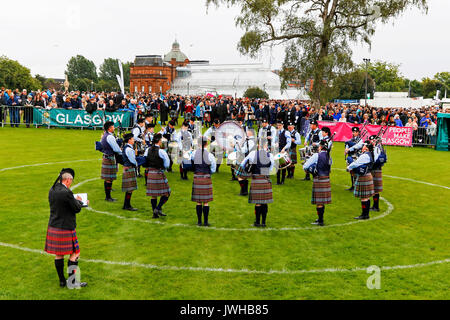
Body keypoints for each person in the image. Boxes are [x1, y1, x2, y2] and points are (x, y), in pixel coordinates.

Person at [45, 168, 87, 288]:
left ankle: (62, 281)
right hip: (66, 227)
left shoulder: (52, 189)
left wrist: (73, 200)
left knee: (59, 254)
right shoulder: (66, 192)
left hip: (54, 225)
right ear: (68, 180)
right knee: (75, 252)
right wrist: (79, 201)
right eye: (71, 181)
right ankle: (72, 282)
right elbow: (76, 208)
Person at [241, 142, 274, 227]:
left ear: (258, 145)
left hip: (256, 180)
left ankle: (257, 222)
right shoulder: (270, 155)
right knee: (264, 202)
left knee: (258, 203)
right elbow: (271, 168)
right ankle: (263, 223)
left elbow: (243, 164)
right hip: (265, 179)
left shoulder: (253, 154)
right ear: (266, 146)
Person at [303, 140, 332, 226]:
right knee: (322, 201)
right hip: (326, 179)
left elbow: (305, 166)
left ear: (320, 147)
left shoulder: (316, 155)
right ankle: (320, 219)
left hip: (319, 179)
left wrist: (309, 168)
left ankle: (320, 220)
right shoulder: (329, 156)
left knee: (319, 202)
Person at [144, 133, 171, 219]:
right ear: (159, 141)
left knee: (153, 195)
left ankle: (154, 214)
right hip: (159, 173)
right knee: (167, 192)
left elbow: (145, 160)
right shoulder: (162, 151)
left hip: (150, 173)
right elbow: (167, 164)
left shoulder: (147, 149)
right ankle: (158, 208)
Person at [191, 137, 217, 226]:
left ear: (198, 144)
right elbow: (213, 169)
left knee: (198, 201)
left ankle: (199, 222)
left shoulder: (194, 153)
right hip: (206, 177)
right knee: (206, 202)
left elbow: (191, 163)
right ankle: (205, 222)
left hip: (197, 177)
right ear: (206, 144)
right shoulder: (210, 155)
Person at [347, 141, 375, 220]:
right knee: (367, 197)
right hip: (368, 175)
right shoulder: (369, 154)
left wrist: (349, 167)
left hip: (364, 177)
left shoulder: (365, 155)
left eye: (364, 146)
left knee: (364, 197)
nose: (362, 146)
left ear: (366, 148)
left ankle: (364, 215)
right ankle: (366, 214)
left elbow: (356, 163)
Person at [101, 122, 122, 202]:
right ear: (109, 128)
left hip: (106, 157)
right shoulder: (110, 137)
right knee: (109, 179)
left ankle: (108, 196)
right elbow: (116, 149)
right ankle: (108, 197)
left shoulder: (104, 135)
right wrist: (121, 151)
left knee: (108, 178)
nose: (114, 128)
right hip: (109, 158)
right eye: (113, 127)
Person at [121, 133, 138, 211]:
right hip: (129, 168)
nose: (133, 140)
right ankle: (127, 205)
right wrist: (137, 163)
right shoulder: (129, 149)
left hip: (127, 168)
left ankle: (126, 205)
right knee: (130, 188)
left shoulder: (127, 147)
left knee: (129, 188)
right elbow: (132, 160)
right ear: (129, 140)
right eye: (132, 139)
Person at [344, 127, 363, 191]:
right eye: (353, 132)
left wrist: (349, 149)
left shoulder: (360, 140)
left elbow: (358, 146)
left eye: (355, 132)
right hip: (351, 156)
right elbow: (347, 144)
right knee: (351, 171)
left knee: (356, 171)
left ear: (358, 132)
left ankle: (357, 186)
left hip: (357, 157)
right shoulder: (351, 140)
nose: (353, 133)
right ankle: (353, 185)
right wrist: (346, 150)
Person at [274, 120, 291, 185]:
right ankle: (278, 181)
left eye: (280, 125)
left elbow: (289, 143)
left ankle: (282, 181)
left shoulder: (286, 132)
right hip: (278, 151)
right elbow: (276, 140)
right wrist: (276, 144)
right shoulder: (277, 132)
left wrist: (284, 148)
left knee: (283, 166)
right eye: (278, 125)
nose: (278, 126)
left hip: (284, 151)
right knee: (277, 166)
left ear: (283, 125)